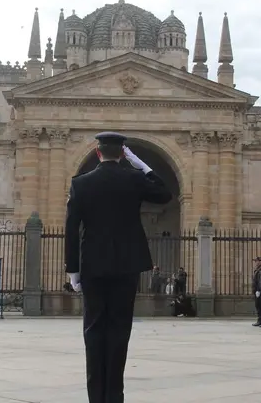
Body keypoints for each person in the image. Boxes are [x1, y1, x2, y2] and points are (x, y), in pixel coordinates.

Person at [64, 132, 172, 403]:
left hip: (92, 265)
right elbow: (164, 194)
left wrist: (73, 268)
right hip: (127, 265)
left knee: (93, 331)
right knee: (119, 331)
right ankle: (115, 397)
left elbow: (70, 229)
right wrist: (141, 165)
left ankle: (95, 398)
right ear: (122, 154)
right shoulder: (134, 178)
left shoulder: (81, 183)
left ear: (98, 153)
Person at [252, 257, 261, 326]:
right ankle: (259, 319)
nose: (256, 263)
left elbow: (260, 281)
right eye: (255, 261)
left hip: (259, 291)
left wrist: (258, 290)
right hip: (256, 291)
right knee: (257, 306)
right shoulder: (256, 270)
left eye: (257, 261)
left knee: (260, 306)